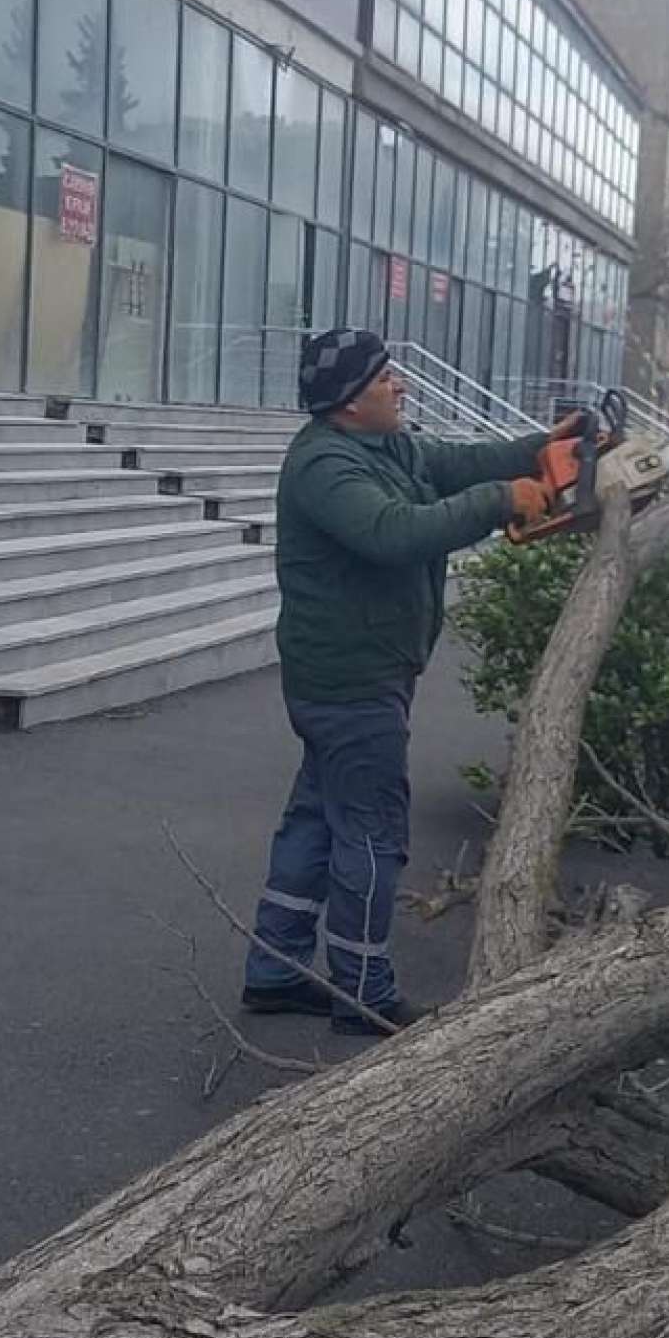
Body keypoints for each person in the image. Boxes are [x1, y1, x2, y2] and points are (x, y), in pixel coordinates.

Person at [241, 327, 577, 1035]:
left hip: (360, 675)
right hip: (349, 682)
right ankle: (363, 989)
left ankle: (277, 971)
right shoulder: (325, 467)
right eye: (385, 378)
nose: (401, 385)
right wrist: (500, 501)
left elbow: (457, 461)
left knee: (316, 819)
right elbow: (395, 533)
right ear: (347, 403)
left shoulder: (386, 445)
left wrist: (544, 447)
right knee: (371, 832)